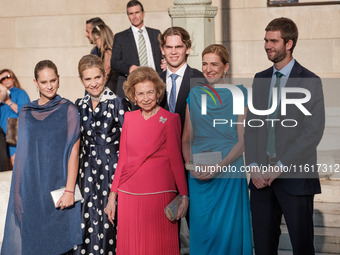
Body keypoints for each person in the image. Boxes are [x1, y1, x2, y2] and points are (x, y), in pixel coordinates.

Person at [244, 17, 325, 255]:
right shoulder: (260, 79)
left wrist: (280, 166)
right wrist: (255, 166)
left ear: (289, 44)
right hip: (261, 182)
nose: (268, 45)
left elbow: (313, 132)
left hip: (295, 178)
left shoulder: (310, 81)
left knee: (302, 247)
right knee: (263, 247)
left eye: (273, 41)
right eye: (266, 40)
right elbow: (252, 128)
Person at [104, 66, 189, 255]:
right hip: (129, 196)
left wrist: (184, 196)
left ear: (158, 93)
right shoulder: (129, 118)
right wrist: (112, 197)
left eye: (150, 92)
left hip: (160, 197)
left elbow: (176, 161)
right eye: (140, 93)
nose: (145, 98)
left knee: (160, 248)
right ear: (133, 96)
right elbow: (123, 159)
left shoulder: (170, 119)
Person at [1, 60, 82, 255]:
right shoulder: (27, 112)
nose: (49, 86)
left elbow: (74, 152)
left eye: (53, 80)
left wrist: (70, 190)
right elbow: (22, 155)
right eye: (44, 82)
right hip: (32, 192)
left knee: (60, 245)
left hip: (58, 189)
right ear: (36, 83)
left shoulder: (69, 110)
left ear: (59, 80)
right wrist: (18, 194)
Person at [181, 44, 253, 255]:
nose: (209, 69)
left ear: (226, 67)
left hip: (229, 172)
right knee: (203, 232)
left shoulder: (239, 93)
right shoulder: (194, 95)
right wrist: (191, 167)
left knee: (229, 234)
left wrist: (219, 166)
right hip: (200, 175)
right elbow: (186, 139)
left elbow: (243, 140)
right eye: (205, 64)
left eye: (214, 64)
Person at [73, 54, 129, 255]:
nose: (93, 83)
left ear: (105, 76)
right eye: (88, 79)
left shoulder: (118, 104)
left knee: (109, 223)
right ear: (81, 80)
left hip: (112, 174)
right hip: (86, 174)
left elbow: (128, 146)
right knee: (86, 222)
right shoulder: (78, 105)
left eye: (97, 77)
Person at [110, 0, 162, 98]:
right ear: (128, 16)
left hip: (155, 83)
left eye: (137, 12)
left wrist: (165, 62)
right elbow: (114, 62)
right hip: (133, 85)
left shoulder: (155, 34)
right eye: (131, 14)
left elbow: (163, 54)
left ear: (143, 13)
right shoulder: (120, 37)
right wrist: (129, 68)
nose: (134, 16)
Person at [158, 26, 204, 130]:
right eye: (169, 47)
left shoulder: (199, 79)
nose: (173, 52)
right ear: (162, 50)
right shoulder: (155, 81)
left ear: (187, 49)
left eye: (178, 47)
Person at [0, 69, 30, 170]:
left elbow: (26, 113)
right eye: (2, 79)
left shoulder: (20, 93)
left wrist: (8, 101)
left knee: (14, 163)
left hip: (14, 132)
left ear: (13, 78)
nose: (6, 80)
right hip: (2, 136)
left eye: (8, 76)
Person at [91, 24, 118, 92]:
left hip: (111, 87)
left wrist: (99, 88)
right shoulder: (108, 51)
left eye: (97, 39)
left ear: (103, 37)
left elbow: (106, 70)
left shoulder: (108, 52)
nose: (95, 42)